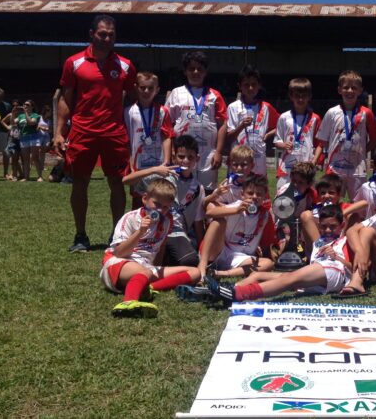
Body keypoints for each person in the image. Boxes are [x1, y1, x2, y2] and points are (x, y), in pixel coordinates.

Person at [55, 14, 137, 252]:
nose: (107, 38)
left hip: (114, 132)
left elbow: (133, 100)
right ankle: (80, 235)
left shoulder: (125, 66)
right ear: (92, 34)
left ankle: (117, 234)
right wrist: (59, 133)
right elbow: (65, 99)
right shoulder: (74, 62)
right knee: (79, 182)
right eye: (102, 34)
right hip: (83, 131)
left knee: (118, 182)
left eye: (111, 35)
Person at [201, 204, 354, 303]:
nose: (328, 230)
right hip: (317, 277)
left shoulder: (345, 240)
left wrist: (337, 256)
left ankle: (239, 294)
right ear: (319, 225)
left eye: (333, 227)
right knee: (257, 275)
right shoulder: (319, 242)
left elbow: (356, 269)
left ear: (341, 226)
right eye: (324, 226)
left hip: (335, 270)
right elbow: (307, 216)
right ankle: (220, 292)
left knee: (290, 278)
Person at [100, 177, 203, 318]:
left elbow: (159, 250)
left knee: (195, 272)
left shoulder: (167, 222)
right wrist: (140, 232)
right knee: (145, 272)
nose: (160, 210)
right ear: (145, 199)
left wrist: (157, 268)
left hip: (145, 267)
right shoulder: (130, 218)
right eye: (157, 204)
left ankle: (149, 288)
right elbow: (119, 252)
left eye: (166, 207)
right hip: (118, 264)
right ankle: (128, 302)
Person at [123, 135, 219, 267]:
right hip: (152, 230)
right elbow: (126, 181)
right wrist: (154, 169)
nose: (185, 161)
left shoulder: (198, 188)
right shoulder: (161, 175)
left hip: (176, 232)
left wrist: (201, 251)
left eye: (190, 157)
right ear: (173, 157)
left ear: (197, 159)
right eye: (181, 157)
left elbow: (197, 222)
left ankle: (166, 259)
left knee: (190, 261)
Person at [178, 174, 275, 301]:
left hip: (240, 257)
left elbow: (267, 243)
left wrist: (265, 252)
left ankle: (219, 274)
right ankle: (202, 267)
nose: (254, 197)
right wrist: (236, 211)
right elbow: (209, 212)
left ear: (264, 196)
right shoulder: (236, 206)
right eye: (250, 193)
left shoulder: (265, 215)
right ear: (242, 194)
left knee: (267, 263)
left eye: (259, 194)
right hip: (220, 250)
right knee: (218, 222)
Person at [164, 51, 227, 192]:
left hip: (208, 154)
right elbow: (167, 124)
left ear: (206, 72)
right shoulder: (176, 93)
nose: (196, 72)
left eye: (200, 69)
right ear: (185, 72)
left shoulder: (214, 95)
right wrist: (172, 152)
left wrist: (219, 152)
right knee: (181, 190)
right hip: (182, 154)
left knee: (207, 192)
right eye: (191, 68)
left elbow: (223, 125)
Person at [315, 70, 376, 199]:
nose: (350, 91)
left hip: (357, 169)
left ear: (360, 90)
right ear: (339, 90)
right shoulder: (332, 113)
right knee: (330, 202)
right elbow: (323, 139)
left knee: (358, 206)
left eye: (354, 88)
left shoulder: (366, 113)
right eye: (346, 87)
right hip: (335, 168)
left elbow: (375, 138)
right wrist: (333, 149)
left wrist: (363, 150)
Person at [124, 71, 174, 208]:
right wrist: (131, 165)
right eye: (142, 87)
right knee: (139, 200)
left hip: (158, 164)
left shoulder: (163, 111)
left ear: (157, 90)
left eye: (150, 88)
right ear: (136, 88)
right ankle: (138, 227)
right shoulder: (128, 111)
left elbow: (167, 136)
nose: (146, 91)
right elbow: (127, 141)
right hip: (138, 165)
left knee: (159, 197)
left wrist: (166, 161)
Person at [225, 65, 279, 177]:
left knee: (257, 192)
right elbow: (229, 137)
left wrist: (268, 134)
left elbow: (282, 124)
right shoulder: (233, 107)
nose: (250, 88)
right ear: (240, 86)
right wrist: (241, 126)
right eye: (246, 85)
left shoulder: (266, 107)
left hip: (258, 160)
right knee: (236, 191)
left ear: (259, 85)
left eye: (254, 84)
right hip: (239, 161)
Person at [299, 172, 366, 257]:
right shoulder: (316, 209)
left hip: (338, 247)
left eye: (331, 192)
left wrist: (342, 213)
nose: (326, 196)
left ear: (339, 195)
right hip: (319, 248)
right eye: (323, 193)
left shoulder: (342, 207)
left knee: (354, 216)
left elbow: (364, 203)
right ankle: (322, 250)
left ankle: (343, 251)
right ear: (319, 196)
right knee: (306, 215)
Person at [274, 78, 322, 189]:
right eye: (297, 95)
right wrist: (284, 145)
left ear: (309, 96)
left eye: (304, 96)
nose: (300, 99)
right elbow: (277, 141)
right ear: (291, 96)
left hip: (307, 167)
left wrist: (314, 161)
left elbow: (320, 143)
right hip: (287, 167)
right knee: (283, 201)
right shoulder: (284, 117)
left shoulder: (315, 118)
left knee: (307, 200)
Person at [17, 99, 44, 181]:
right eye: (24, 104)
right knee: (25, 159)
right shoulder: (20, 116)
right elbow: (13, 123)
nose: (25, 106)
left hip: (34, 137)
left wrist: (25, 113)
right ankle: (26, 177)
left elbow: (31, 123)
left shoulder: (36, 115)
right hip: (24, 138)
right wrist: (13, 113)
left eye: (27, 105)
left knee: (35, 157)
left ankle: (40, 176)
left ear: (32, 106)